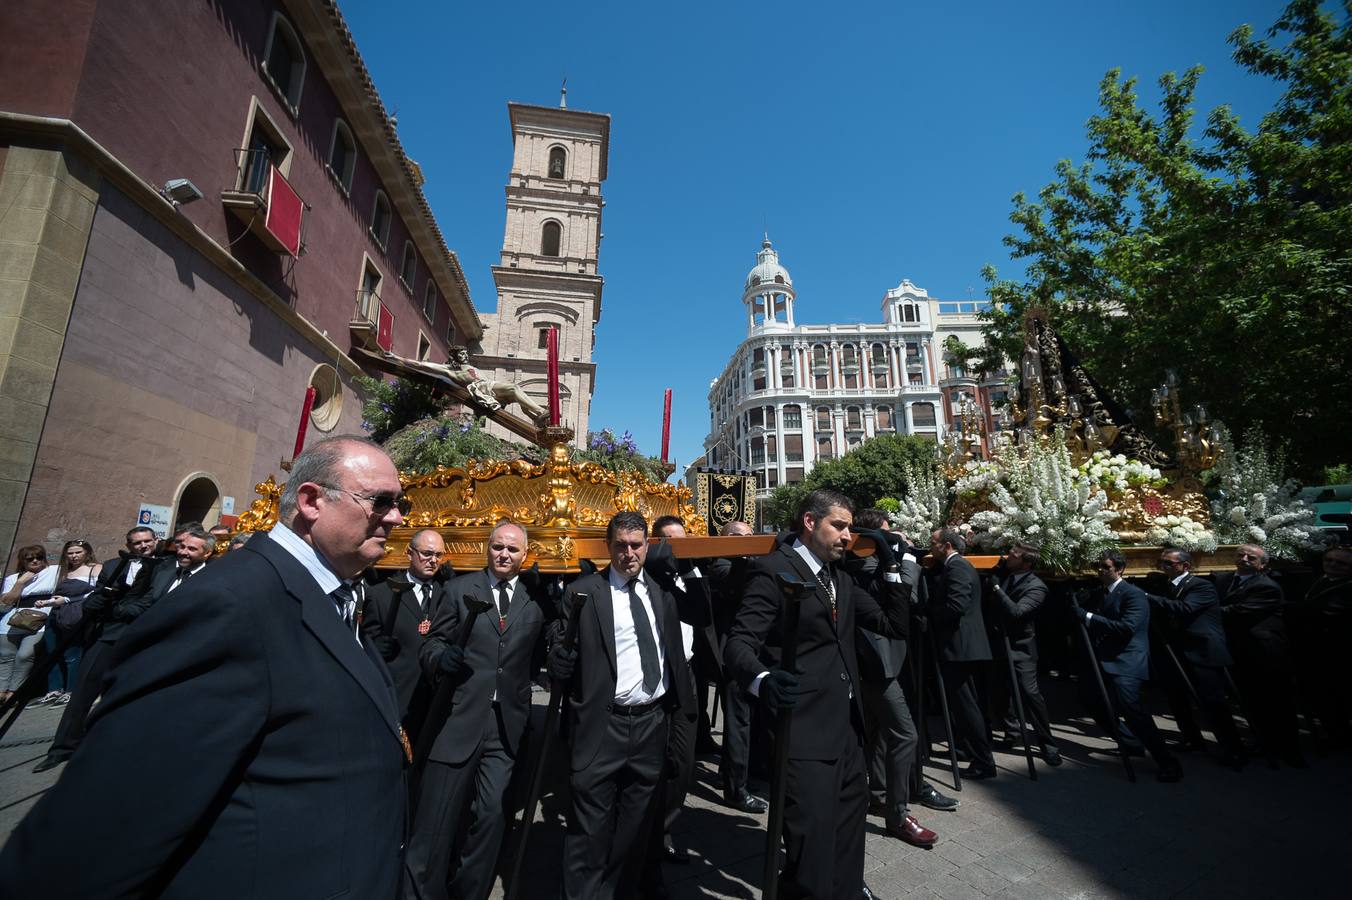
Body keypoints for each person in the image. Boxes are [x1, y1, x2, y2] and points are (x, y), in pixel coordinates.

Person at [0, 435, 410, 898]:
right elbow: (96, 832)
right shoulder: (230, 604)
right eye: (381, 502)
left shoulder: (328, 595)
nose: (396, 518)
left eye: (400, 503)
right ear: (312, 500)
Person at [724, 489, 913, 899]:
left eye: (849, 528)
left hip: (847, 729)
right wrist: (762, 679)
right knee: (811, 844)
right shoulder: (773, 570)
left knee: (848, 834)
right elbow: (738, 644)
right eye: (839, 526)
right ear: (810, 522)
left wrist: (894, 565)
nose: (847, 536)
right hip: (801, 732)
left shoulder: (840, 579)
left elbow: (893, 624)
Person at [547, 511, 695, 899]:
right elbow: (564, 643)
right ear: (607, 547)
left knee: (637, 827)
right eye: (620, 546)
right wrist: (558, 659)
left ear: (647, 546)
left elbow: (705, 612)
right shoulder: (583, 592)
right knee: (589, 830)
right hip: (602, 725)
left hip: (651, 725)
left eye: (636, 545)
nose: (628, 554)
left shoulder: (663, 593)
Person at [404, 520, 551, 900]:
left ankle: (468, 892)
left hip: (505, 728)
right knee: (434, 823)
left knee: (490, 818)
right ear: (488, 548)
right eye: (498, 547)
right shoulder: (457, 590)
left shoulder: (534, 602)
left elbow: (534, 659)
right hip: (458, 721)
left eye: (513, 549)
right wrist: (441, 658)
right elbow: (432, 644)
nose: (504, 554)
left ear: (524, 554)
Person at [33, 525, 213, 773]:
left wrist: (122, 610)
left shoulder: (168, 566)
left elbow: (148, 602)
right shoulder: (121, 566)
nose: (143, 546)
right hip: (109, 634)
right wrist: (98, 604)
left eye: (147, 541)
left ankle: (111, 747)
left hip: (148, 641)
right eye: (137, 543)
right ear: (129, 545)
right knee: (85, 689)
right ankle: (63, 747)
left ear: (155, 541)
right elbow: (120, 598)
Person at [844, 509, 938, 849]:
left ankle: (880, 794)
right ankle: (898, 815)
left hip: (881, 663)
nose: (895, 538)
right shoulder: (867, 565)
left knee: (880, 733)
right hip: (876, 666)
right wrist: (907, 557)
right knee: (905, 734)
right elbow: (906, 598)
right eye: (888, 533)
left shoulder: (870, 563)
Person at [1070, 549, 1182, 782]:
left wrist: (1088, 617)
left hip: (1126, 660)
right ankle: (1130, 741)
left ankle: (1166, 761)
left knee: (1130, 708)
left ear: (1119, 569)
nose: (1100, 571)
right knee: (1089, 699)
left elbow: (1126, 627)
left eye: (1106, 567)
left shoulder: (1133, 595)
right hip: (1101, 659)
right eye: (1098, 567)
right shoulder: (1099, 593)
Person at [643, 515, 711, 866]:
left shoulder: (689, 577)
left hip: (684, 673)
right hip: (652, 676)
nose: (678, 548)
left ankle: (666, 825)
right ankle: (646, 832)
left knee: (682, 760)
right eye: (672, 542)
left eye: (683, 541)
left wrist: (688, 568)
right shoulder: (648, 581)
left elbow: (702, 615)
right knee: (651, 758)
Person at [1147, 549, 1244, 766]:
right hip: (1178, 651)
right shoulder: (1166, 585)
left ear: (1185, 566)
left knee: (1213, 703)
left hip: (1203, 651)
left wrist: (1146, 597)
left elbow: (1185, 608)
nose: (1163, 567)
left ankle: (1233, 749)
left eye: (1169, 563)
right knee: (1176, 698)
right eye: (1161, 563)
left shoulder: (1201, 586)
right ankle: (1192, 738)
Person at [1214, 543, 1302, 767]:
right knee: (1251, 699)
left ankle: (1289, 749)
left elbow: (1238, 611)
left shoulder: (1266, 587)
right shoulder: (1224, 580)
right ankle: (1263, 740)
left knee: (1276, 701)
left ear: (1263, 565)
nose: (1244, 559)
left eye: (1251, 557)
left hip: (1265, 652)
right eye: (1240, 555)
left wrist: (1204, 609)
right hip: (1239, 650)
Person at [362, 528, 448, 741]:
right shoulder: (381, 594)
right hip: (396, 698)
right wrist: (374, 646)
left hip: (434, 701)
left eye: (438, 555)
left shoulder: (448, 594)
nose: (432, 560)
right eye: (427, 553)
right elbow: (364, 644)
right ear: (409, 552)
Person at [706, 519, 768, 814]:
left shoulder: (755, 562)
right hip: (733, 653)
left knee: (752, 718)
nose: (746, 540)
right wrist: (745, 558)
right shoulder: (720, 564)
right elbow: (732, 587)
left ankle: (743, 771)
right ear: (725, 539)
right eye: (738, 536)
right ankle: (735, 788)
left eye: (749, 535)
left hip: (755, 651)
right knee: (738, 721)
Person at [927, 527, 996, 779]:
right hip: (963, 647)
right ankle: (971, 750)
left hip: (961, 648)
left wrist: (929, 613)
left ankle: (983, 761)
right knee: (966, 705)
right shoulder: (954, 567)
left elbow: (956, 605)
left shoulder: (957, 568)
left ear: (946, 546)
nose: (930, 547)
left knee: (967, 707)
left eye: (933, 542)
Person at [989, 543, 1061, 765]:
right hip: (1000, 644)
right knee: (1000, 693)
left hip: (1021, 649)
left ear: (1027, 563)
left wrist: (997, 589)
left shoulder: (1036, 587)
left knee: (1030, 695)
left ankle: (1047, 744)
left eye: (1014, 555)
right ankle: (1013, 733)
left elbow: (1017, 612)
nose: (1008, 556)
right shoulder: (1007, 576)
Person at [1289, 545, 1352, 746]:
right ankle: (1333, 732)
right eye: (1329, 560)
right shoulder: (1319, 579)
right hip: (1311, 649)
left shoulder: (1348, 587)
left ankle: (1341, 735)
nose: (1333, 565)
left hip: (1336, 650)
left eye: (1341, 563)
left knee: (1337, 696)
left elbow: (1326, 611)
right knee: (1319, 696)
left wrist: (1288, 608)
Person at [39, 540, 104, 705]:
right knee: (52, 652)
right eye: (70, 553)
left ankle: (71, 689)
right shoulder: (61, 571)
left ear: (87, 552)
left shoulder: (95, 569)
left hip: (76, 615)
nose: (74, 556)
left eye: (78, 552)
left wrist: (67, 600)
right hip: (55, 614)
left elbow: (98, 592)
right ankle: (54, 689)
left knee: (71, 654)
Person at [0, 545, 56, 706]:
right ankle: (1, 691)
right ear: (23, 561)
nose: (35, 561)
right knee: (5, 656)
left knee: (25, 655)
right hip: (13, 620)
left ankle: (14, 691)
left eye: (39, 557)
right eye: (30, 559)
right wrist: (21, 582)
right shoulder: (14, 578)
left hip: (39, 619)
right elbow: (6, 602)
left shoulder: (53, 571)